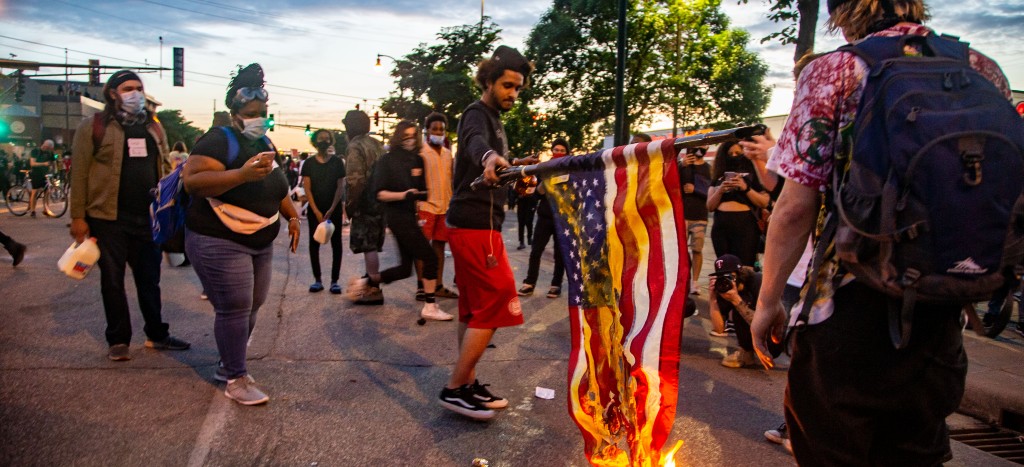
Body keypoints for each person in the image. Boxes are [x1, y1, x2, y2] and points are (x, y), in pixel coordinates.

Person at [751, 0, 1013, 464]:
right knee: (917, 450)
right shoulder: (982, 69)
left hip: (851, 298)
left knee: (832, 446)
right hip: (943, 303)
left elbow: (795, 205)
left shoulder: (836, 71)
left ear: (841, 11)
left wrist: (769, 300)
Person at [182, 63, 300, 405]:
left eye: (263, 113)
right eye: (251, 113)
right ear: (235, 114)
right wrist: (240, 176)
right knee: (234, 307)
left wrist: (291, 216)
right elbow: (194, 182)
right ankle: (235, 377)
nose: (259, 118)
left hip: (260, 238)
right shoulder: (218, 139)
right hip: (219, 237)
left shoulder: (264, 140)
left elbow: (277, 186)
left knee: (254, 304)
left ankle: (228, 361)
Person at [70, 69, 190, 362]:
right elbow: (80, 172)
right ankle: (118, 339)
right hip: (108, 217)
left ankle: (157, 334)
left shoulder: (154, 127)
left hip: (148, 217)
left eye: (138, 87)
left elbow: (164, 168)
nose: (135, 93)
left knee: (150, 279)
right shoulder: (93, 126)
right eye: (127, 88)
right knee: (112, 280)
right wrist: (78, 217)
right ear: (113, 93)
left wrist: (170, 205)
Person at [440, 45, 533, 420]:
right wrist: (491, 158)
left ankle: (467, 381)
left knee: (473, 307)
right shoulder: (477, 114)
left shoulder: (496, 118)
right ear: (490, 81)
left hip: (478, 223)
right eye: (508, 85)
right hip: (475, 226)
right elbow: (477, 145)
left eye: (518, 88)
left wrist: (516, 173)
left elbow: (488, 174)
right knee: (497, 301)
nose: (513, 93)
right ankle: (454, 388)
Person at [347, 121, 453, 322]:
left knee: (405, 269)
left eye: (414, 136)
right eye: (406, 136)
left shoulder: (417, 160)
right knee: (429, 257)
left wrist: (420, 195)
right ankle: (430, 305)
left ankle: (364, 282)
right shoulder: (387, 161)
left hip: (413, 215)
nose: (410, 140)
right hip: (396, 216)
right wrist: (404, 195)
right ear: (398, 137)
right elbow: (380, 193)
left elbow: (421, 189)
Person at [343, 109, 387, 305]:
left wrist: (350, 206)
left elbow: (355, 181)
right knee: (374, 245)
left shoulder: (355, 146)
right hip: (381, 201)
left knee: (368, 246)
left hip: (366, 202)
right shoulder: (377, 144)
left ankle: (373, 288)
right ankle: (371, 281)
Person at [415, 112, 459, 300]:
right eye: (435, 129)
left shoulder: (449, 154)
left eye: (441, 129)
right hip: (425, 206)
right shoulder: (420, 153)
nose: (438, 132)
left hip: (445, 206)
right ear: (427, 131)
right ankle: (422, 286)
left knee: (439, 246)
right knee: (422, 248)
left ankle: (438, 285)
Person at [706, 141, 770, 269]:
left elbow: (764, 202)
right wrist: (720, 190)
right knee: (723, 269)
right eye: (730, 154)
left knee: (745, 269)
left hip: (745, 226)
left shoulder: (754, 175)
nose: (734, 156)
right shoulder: (719, 176)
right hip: (721, 227)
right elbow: (710, 206)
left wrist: (745, 188)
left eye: (738, 153)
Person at [518, 138, 568, 299]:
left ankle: (556, 285)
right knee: (536, 250)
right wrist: (544, 184)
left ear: (567, 152)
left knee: (560, 254)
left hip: (562, 218)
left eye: (562, 150)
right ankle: (529, 283)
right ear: (552, 151)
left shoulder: (571, 168)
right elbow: (536, 194)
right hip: (545, 217)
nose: (558, 152)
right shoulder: (545, 168)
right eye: (556, 149)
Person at [302, 129, 346, 294]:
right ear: (315, 141)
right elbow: (307, 189)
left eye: (327, 139)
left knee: (337, 245)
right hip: (315, 211)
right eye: (321, 139)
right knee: (314, 244)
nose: (324, 141)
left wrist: (332, 208)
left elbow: (340, 187)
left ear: (331, 141)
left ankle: (335, 281)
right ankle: (317, 280)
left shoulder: (337, 163)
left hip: (333, 210)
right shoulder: (309, 164)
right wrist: (316, 211)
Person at [707, 254, 761, 368]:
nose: (726, 280)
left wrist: (736, 299)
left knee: (738, 308)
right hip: (752, 336)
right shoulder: (725, 289)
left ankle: (749, 351)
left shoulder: (757, 282)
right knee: (737, 310)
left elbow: (763, 325)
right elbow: (719, 329)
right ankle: (747, 352)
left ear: (739, 274)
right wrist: (712, 299)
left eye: (729, 276)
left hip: (772, 338)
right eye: (721, 277)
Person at [678, 146, 711, 293]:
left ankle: (695, 281)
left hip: (699, 215)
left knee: (697, 250)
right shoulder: (682, 167)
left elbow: (711, 191)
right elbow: (669, 183)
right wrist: (681, 165)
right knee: (681, 251)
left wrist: (695, 189)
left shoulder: (708, 168)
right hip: (682, 214)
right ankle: (682, 279)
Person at [28, 139, 55, 217]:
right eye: (49, 148)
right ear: (46, 146)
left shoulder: (50, 152)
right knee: (35, 192)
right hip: (36, 173)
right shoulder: (35, 151)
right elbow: (32, 163)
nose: (49, 150)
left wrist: (53, 171)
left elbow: (53, 162)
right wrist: (44, 163)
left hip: (45, 174)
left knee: (47, 192)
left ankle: (46, 209)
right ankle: (33, 210)